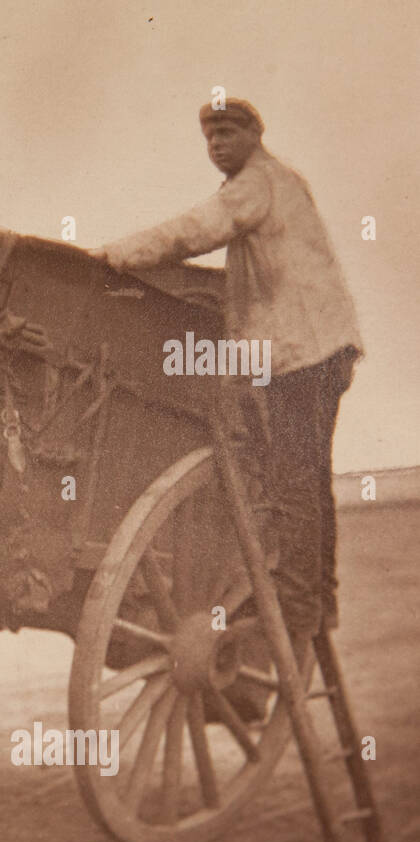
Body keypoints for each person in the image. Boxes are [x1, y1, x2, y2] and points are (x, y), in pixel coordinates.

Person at [92, 97, 363, 650]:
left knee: (292, 479)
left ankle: (296, 613)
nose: (216, 145)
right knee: (309, 479)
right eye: (209, 136)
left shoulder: (255, 183)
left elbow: (192, 232)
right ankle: (319, 604)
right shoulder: (280, 181)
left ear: (253, 135)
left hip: (301, 354)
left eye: (226, 133)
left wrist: (113, 256)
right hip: (322, 348)